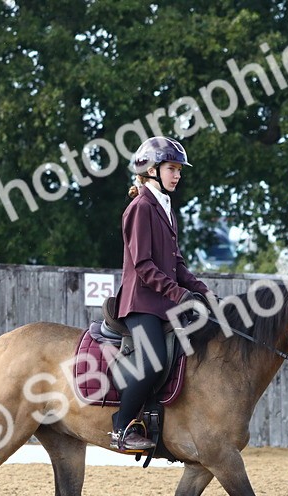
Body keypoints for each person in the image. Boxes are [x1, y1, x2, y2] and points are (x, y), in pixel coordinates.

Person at [110, 136, 213, 452]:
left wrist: (202, 291)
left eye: (179, 170)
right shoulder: (140, 208)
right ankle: (121, 428)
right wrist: (179, 294)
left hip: (163, 302)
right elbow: (143, 265)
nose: (177, 175)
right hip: (141, 302)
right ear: (151, 170)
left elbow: (176, 263)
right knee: (153, 360)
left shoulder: (166, 208)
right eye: (172, 168)